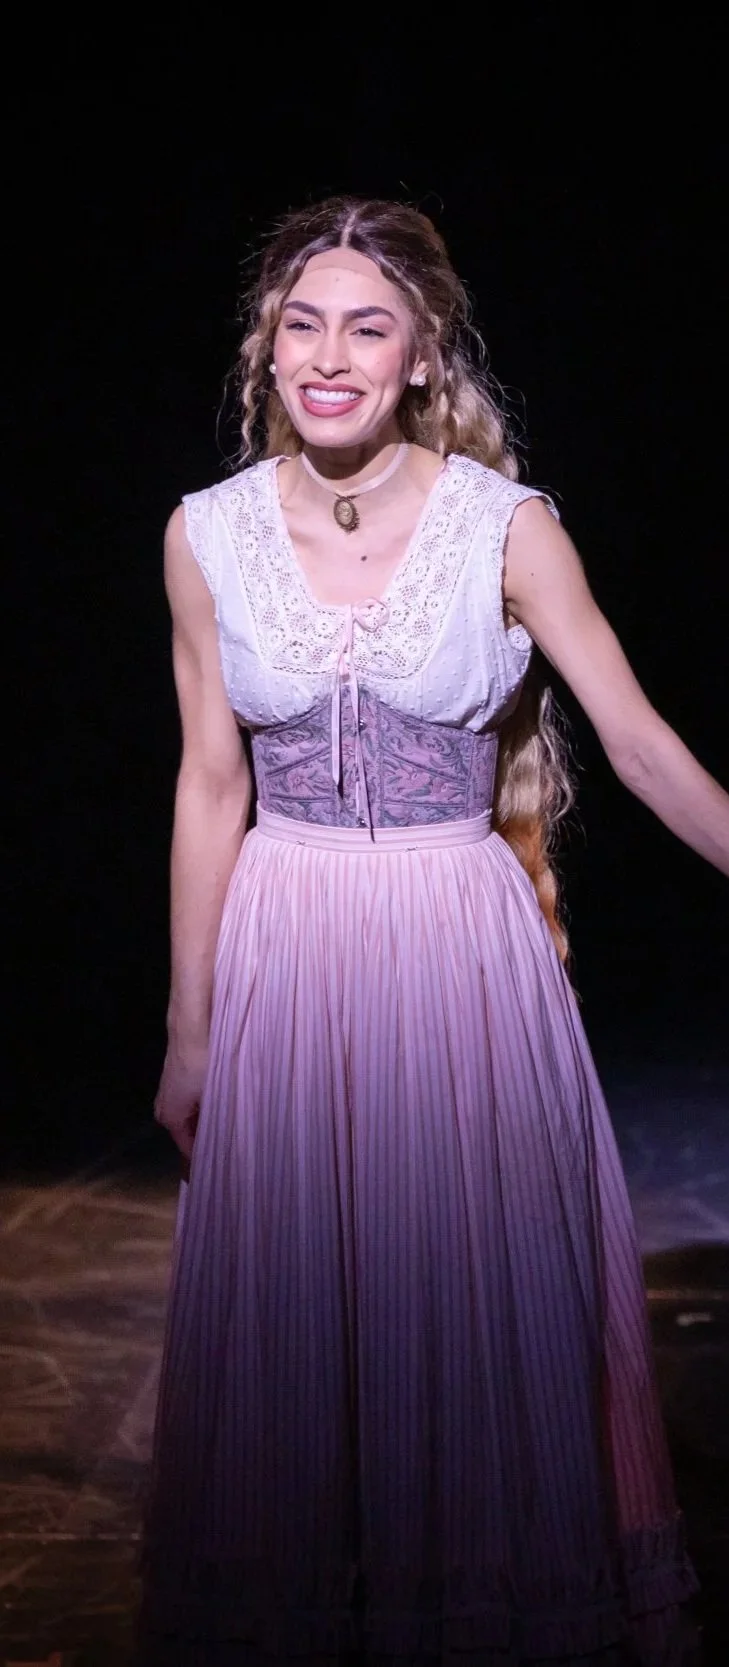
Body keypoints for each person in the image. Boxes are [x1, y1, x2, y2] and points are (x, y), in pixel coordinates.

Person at [139, 196, 728, 1666]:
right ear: (266, 345)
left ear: (421, 356)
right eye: (302, 324)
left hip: (457, 949)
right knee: (300, 1307)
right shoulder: (208, 533)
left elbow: (639, 741)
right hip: (288, 945)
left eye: (367, 328)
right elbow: (210, 780)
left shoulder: (503, 526)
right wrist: (189, 1027)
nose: (328, 357)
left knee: (461, 1298)